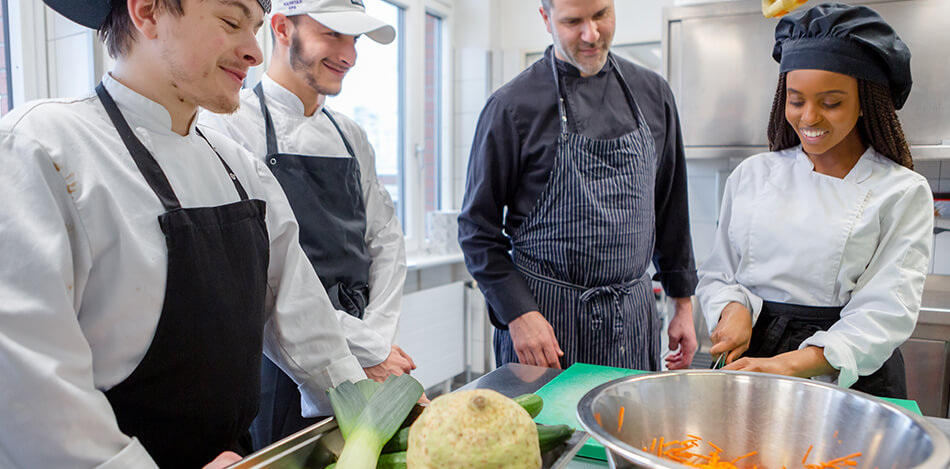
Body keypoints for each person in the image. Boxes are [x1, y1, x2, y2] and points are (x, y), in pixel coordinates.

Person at [0, 0, 371, 467]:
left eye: (255, 29)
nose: (254, 52)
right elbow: (28, 385)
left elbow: (306, 320)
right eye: (231, 22)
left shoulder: (240, 169)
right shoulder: (40, 148)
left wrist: (370, 417)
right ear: (149, 13)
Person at [199, 0, 415, 448]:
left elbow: (387, 242)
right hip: (281, 358)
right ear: (280, 28)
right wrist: (365, 349)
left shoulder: (351, 135)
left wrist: (374, 339)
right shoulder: (229, 125)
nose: (349, 55)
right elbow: (265, 276)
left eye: (354, 40)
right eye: (333, 35)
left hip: (367, 346)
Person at [697, 3, 932, 398]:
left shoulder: (900, 191)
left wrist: (788, 364)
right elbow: (720, 273)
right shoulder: (753, 175)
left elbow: (883, 313)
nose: (809, 118)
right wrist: (733, 310)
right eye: (796, 100)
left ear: (866, 102)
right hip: (751, 358)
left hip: (845, 371)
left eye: (831, 102)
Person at [458, 0, 698, 371]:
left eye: (601, 14)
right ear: (546, 19)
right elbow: (477, 231)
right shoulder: (511, 107)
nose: (592, 34)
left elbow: (670, 209)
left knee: (629, 428)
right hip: (546, 327)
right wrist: (519, 314)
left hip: (631, 323)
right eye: (573, 22)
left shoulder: (653, 93)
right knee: (549, 430)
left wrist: (682, 302)